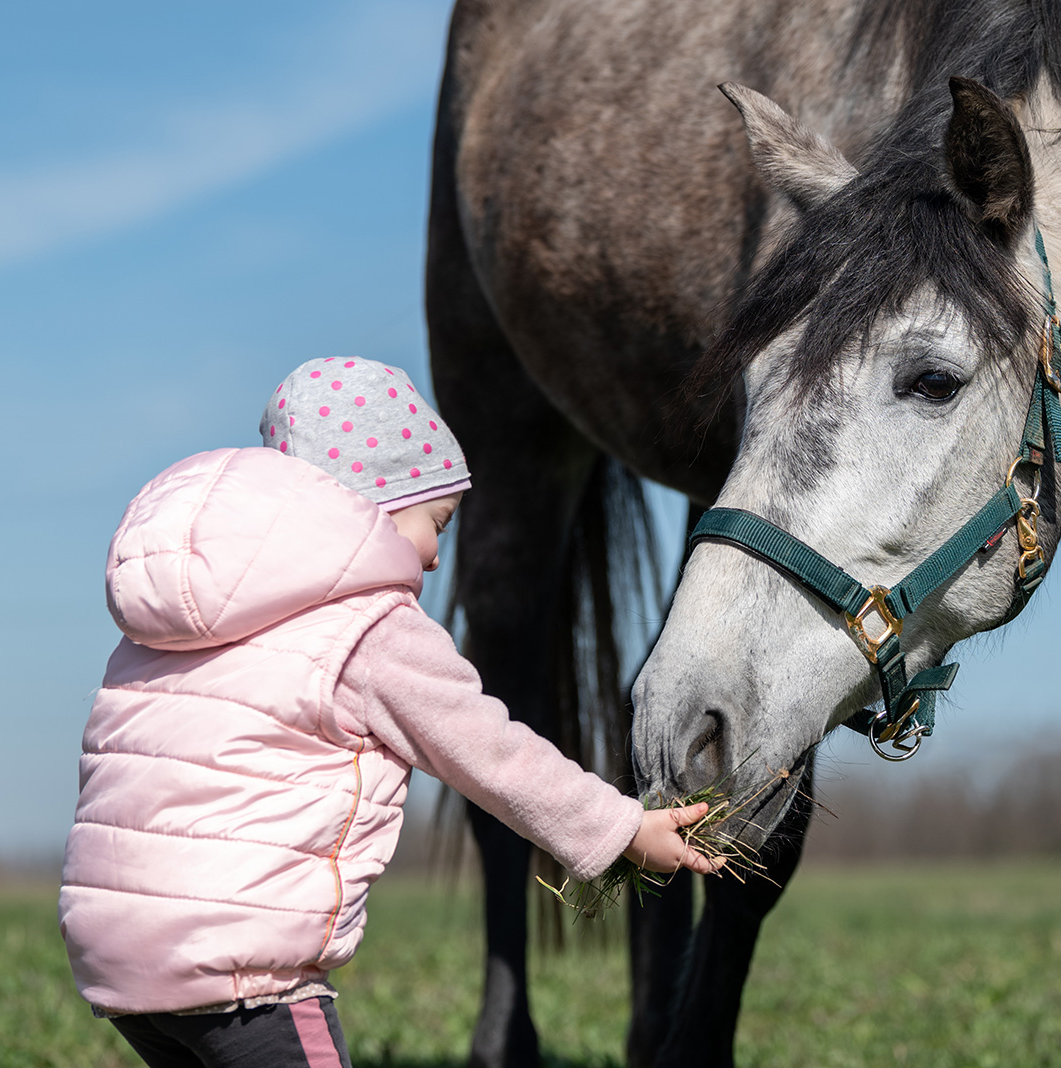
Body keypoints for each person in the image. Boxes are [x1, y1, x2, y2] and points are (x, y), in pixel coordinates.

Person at [58, 356, 718, 1068]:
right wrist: (622, 829)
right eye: (438, 520)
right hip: (246, 972)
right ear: (370, 509)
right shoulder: (370, 629)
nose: (436, 559)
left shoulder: (176, 624)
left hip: (121, 960)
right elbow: (490, 754)